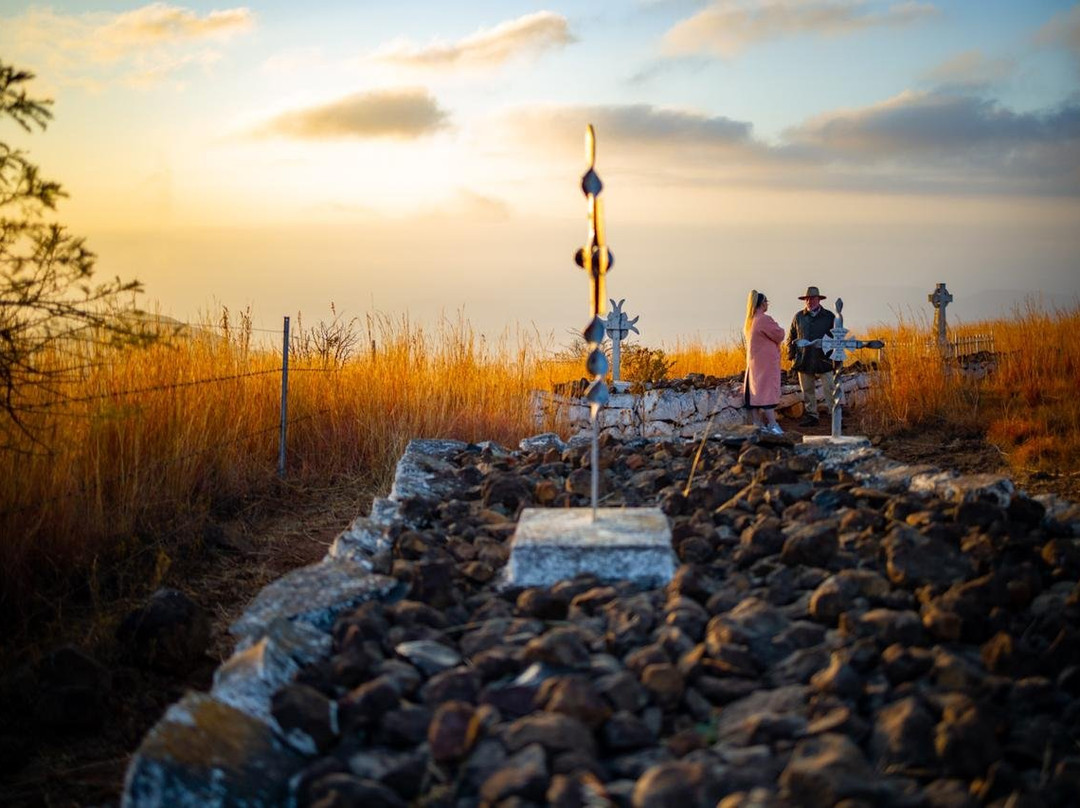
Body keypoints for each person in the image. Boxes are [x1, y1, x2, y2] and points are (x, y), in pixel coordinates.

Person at [787, 285, 836, 427]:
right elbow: (791, 337)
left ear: (819, 300)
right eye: (807, 298)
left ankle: (835, 415)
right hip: (804, 358)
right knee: (807, 390)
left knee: (830, 388)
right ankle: (812, 415)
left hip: (824, 359)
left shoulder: (829, 316)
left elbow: (836, 337)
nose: (810, 301)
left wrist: (834, 356)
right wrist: (791, 355)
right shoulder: (799, 317)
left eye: (813, 298)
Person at [743, 289, 785, 435]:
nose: (768, 304)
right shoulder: (764, 319)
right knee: (766, 393)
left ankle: (757, 424)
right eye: (767, 302)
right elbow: (779, 334)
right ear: (762, 303)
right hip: (765, 364)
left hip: (754, 364)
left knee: (754, 394)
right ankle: (773, 425)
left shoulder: (750, 321)